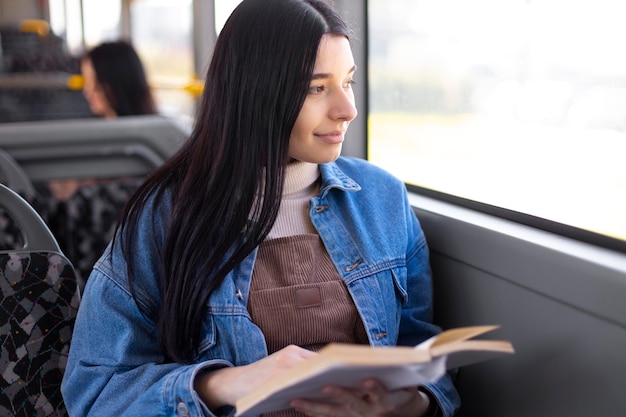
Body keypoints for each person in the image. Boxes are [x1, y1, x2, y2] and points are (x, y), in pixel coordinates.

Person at [61, 0, 461, 416]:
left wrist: (410, 404)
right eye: (316, 88)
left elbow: (424, 360)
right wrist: (226, 383)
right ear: (255, 91)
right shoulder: (163, 217)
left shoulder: (382, 199)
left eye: (349, 82)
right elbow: (95, 392)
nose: (348, 110)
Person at [80, 39, 157, 118]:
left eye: (97, 85)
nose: (87, 92)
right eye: (87, 83)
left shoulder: (155, 127)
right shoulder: (91, 126)